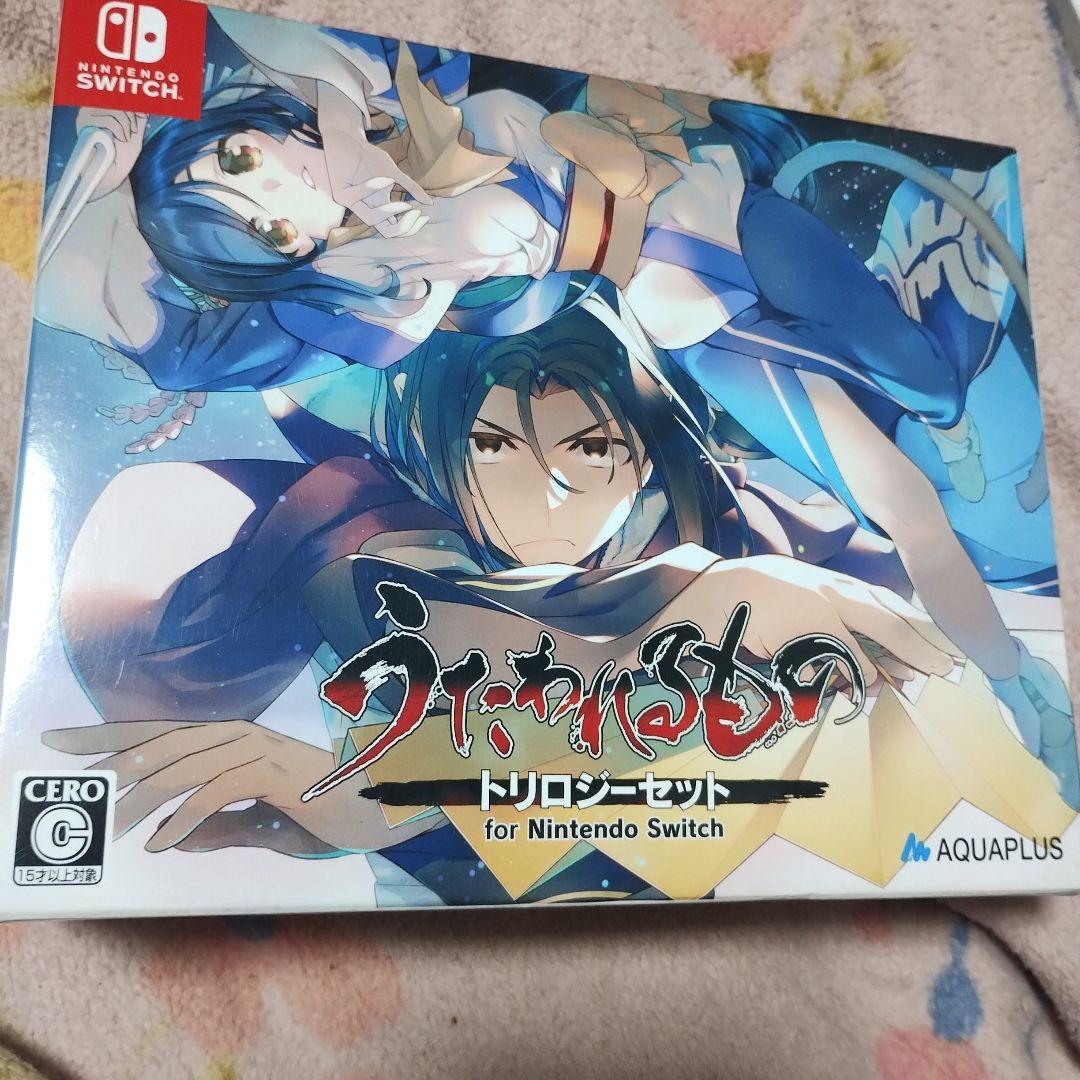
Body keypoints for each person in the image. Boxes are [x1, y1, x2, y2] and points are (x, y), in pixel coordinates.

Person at [35, 10, 1075, 803]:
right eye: (270, 231)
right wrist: (92, 191)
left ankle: (952, 411)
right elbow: (98, 307)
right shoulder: (367, 291)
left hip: (715, 208)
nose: (289, 191)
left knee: (922, 378)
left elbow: (257, 54)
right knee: (899, 498)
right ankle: (1022, 688)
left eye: (242, 162)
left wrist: (123, 143)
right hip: (685, 308)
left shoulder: (364, 90)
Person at [47, 299, 960, 903]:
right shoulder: (381, 545)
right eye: (496, 448)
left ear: (641, 459)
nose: (547, 494)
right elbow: (473, 721)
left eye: (590, 451)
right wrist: (336, 812)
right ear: (448, 449)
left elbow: (912, 605)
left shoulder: (727, 536)